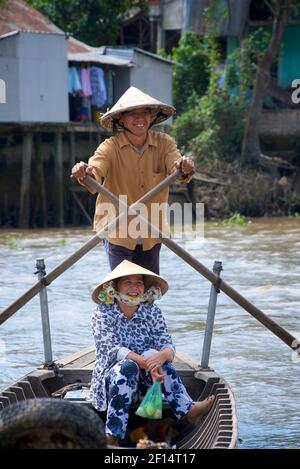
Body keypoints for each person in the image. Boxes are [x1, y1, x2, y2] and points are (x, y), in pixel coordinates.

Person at [89, 260, 215, 446]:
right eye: (127, 282)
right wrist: (147, 362)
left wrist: (159, 358)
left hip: (150, 379)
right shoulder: (102, 313)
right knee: (127, 367)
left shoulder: (152, 311)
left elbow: (167, 344)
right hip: (115, 381)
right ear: (114, 287)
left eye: (139, 282)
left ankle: (189, 410)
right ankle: (112, 436)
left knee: (158, 357)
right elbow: (112, 349)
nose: (134, 287)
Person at [71, 86, 195, 274]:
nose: (140, 118)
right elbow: (94, 171)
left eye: (144, 113)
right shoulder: (110, 147)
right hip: (117, 228)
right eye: (132, 114)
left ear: (151, 117)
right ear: (121, 118)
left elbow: (176, 167)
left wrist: (183, 166)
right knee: (124, 284)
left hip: (152, 230)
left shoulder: (164, 143)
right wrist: (84, 172)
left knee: (149, 288)